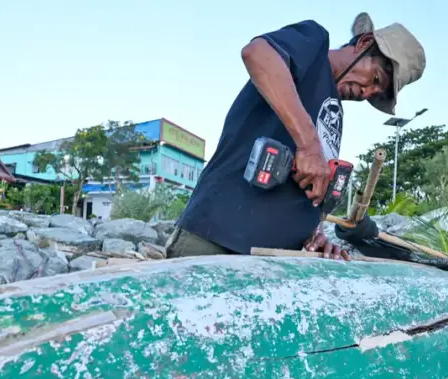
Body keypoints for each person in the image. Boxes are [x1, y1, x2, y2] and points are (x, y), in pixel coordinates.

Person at [168, 13, 425, 260]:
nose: (368, 92)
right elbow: (257, 53)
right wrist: (308, 143)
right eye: (376, 78)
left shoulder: (334, 113)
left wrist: (312, 233)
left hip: (271, 260)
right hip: (216, 241)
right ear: (364, 43)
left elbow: (306, 181)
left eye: (377, 93)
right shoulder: (313, 46)